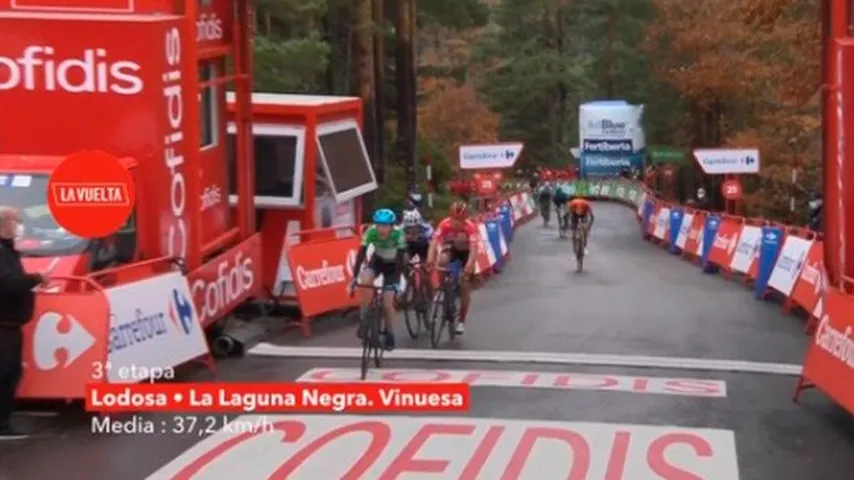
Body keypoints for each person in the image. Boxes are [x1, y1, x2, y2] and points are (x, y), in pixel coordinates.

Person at [0, 206, 47, 440]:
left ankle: (4, 421)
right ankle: (2, 424)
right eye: (16, 223)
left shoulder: (8, 251)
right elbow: (7, 283)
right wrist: (35, 279)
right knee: (5, 374)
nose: (19, 228)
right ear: (5, 225)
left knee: (11, 373)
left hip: (11, 324)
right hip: (3, 326)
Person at [350, 208, 406, 350]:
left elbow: (400, 260)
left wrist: (397, 283)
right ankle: (364, 319)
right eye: (379, 225)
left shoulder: (398, 233)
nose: (382, 229)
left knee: (388, 304)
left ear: (392, 226)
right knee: (365, 282)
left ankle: (389, 332)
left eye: (385, 225)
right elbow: (361, 255)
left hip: (393, 266)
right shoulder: (371, 232)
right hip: (378, 261)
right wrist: (354, 278)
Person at [427, 201, 478, 335]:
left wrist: (469, 266)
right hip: (452, 249)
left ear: (465, 218)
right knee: (442, 261)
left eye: (460, 219)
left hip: (467, 253)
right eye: (454, 219)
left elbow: (473, 251)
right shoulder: (445, 224)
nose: (457, 223)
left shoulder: (470, 227)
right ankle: (443, 289)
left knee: (465, 287)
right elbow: (434, 242)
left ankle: (461, 321)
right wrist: (430, 258)